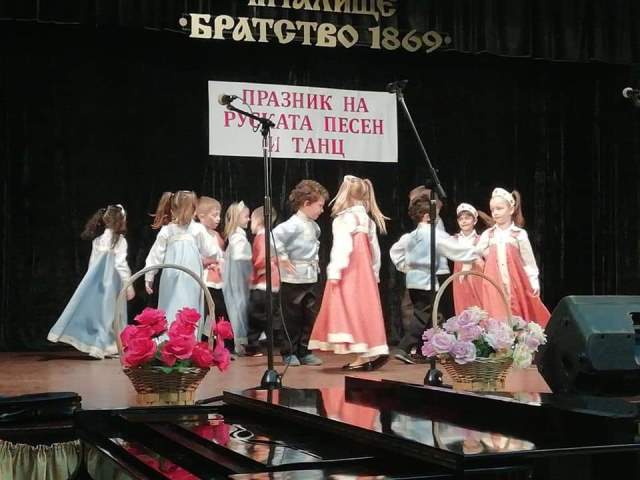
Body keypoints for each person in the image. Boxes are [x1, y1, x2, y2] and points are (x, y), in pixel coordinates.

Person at [308, 175, 389, 371]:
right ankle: (366, 353)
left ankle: (363, 354)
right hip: (365, 273)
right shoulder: (367, 221)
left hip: (349, 272)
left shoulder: (344, 219)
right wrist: (375, 272)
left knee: (347, 309)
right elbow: (375, 250)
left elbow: (342, 247)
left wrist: (335, 270)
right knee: (362, 309)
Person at [390, 198, 480, 364]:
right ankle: (404, 347)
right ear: (427, 216)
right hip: (427, 280)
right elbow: (454, 249)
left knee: (430, 315)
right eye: (436, 215)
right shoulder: (434, 234)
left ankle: (422, 350)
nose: (437, 219)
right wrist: (476, 252)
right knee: (422, 315)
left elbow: (395, 251)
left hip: (413, 281)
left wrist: (405, 267)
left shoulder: (409, 236)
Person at [47, 204, 134, 358]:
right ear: (120, 221)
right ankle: (101, 347)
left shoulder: (98, 240)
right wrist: (129, 284)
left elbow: (92, 264)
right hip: (111, 286)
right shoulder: (120, 241)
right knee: (110, 315)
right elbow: (120, 264)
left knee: (101, 315)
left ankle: (104, 347)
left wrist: (89, 285)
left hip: (97, 285)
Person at [144, 191, 221, 338]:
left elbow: (212, 251)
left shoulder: (196, 229)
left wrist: (207, 259)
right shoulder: (168, 231)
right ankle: (168, 340)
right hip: (172, 278)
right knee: (171, 306)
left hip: (191, 279)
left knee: (189, 307)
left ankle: (188, 341)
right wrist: (149, 276)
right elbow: (155, 255)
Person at [273, 180, 329, 366]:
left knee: (309, 315)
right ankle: (289, 351)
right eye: (319, 205)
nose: (322, 210)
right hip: (293, 278)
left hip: (310, 276)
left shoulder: (314, 226)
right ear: (306, 204)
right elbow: (274, 237)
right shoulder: (292, 225)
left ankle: (304, 350)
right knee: (291, 317)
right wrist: (282, 256)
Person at [475, 188, 550, 327]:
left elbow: (529, 262)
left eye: (499, 208)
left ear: (510, 209)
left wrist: (534, 281)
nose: (495, 212)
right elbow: (475, 252)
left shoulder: (519, 234)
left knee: (517, 317)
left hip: (515, 284)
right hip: (494, 285)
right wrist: (485, 256)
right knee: (496, 317)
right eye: (492, 209)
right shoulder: (488, 235)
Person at [245, 206, 280, 357]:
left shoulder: (262, 237)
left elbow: (261, 259)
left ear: (258, 221)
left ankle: (253, 346)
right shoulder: (271, 236)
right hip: (271, 283)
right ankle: (271, 343)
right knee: (268, 315)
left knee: (256, 315)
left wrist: (257, 272)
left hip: (263, 283)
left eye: (252, 220)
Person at [221, 201, 252, 354]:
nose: (249, 219)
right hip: (237, 276)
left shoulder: (237, 235)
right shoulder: (238, 237)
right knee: (239, 305)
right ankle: (240, 342)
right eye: (246, 216)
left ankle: (241, 341)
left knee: (239, 304)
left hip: (238, 274)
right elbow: (240, 255)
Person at [196, 196, 228, 338]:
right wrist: (211, 261)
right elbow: (197, 258)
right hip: (206, 281)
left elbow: (222, 255)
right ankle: (206, 339)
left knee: (218, 311)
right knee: (208, 311)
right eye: (214, 215)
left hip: (219, 281)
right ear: (201, 216)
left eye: (219, 215)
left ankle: (217, 339)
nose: (218, 219)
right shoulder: (198, 233)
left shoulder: (216, 235)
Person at [452, 202, 487, 314]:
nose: (464, 221)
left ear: (474, 221)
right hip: (460, 279)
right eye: (461, 219)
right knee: (462, 308)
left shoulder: (481, 239)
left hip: (477, 278)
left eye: (467, 218)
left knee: (480, 308)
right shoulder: (453, 240)